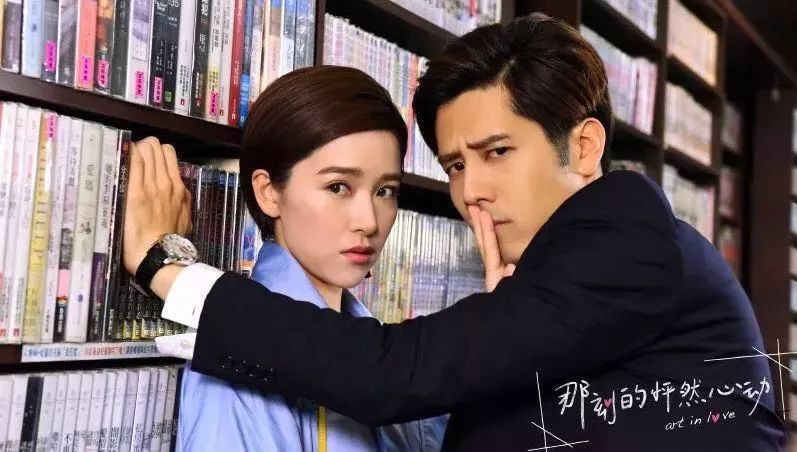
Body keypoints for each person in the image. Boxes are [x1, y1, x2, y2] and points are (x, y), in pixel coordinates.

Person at [125, 13, 787, 451]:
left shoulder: (625, 241)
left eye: (497, 152)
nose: (471, 193)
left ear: (584, 147)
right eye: (455, 166)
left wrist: (167, 269)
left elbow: (388, 375)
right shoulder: (565, 273)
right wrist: (504, 321)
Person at [173, 66, 447, 451]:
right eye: (338, 187)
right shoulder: (238, 365)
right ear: (269, 193)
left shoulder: (380, 349)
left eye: (385, 191)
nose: (369, 221)